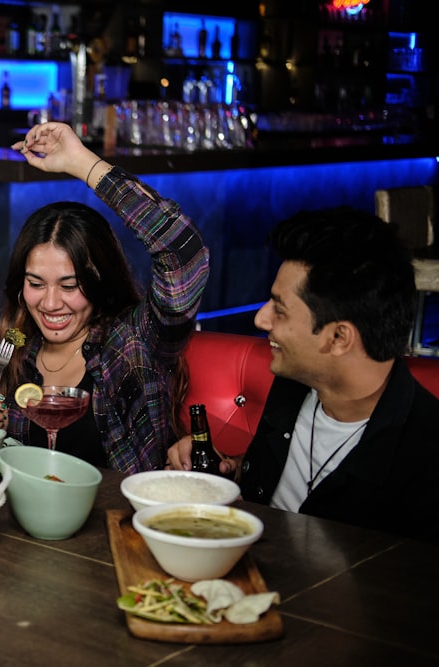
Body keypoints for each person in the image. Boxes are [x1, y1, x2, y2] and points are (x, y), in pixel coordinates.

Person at [167, 206, 439, 542]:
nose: (261, 320)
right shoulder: (296, 382)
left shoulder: (424, 457)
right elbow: (273, 485)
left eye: (279, 310)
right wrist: (227, 471)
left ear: (338, 338)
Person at [0, 122, 210, 472]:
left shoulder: (135, 341)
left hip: (121, 523)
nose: (50, 304)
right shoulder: (13, 357)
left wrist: (83, 163)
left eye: (69, 286)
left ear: (101, 282)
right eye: (36, 283)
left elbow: (184, 251)